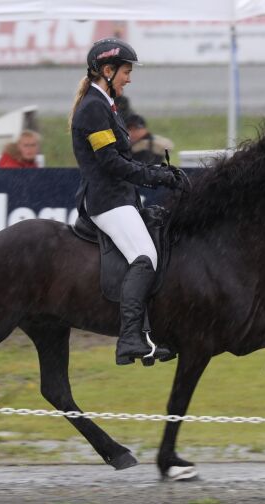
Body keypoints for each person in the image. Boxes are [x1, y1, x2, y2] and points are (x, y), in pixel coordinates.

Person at [69, 37, 181, 366]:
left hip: (121, 197)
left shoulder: (107, 104)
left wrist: (160, 172)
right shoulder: (92, 108)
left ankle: (153, 334)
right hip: (106, 201)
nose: (128, 78)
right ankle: (130, 336)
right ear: (107, 70)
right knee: (144, 257)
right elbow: (111, 163)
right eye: (125, 72)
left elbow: (122, 160)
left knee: (160, 245)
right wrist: (155, 176)